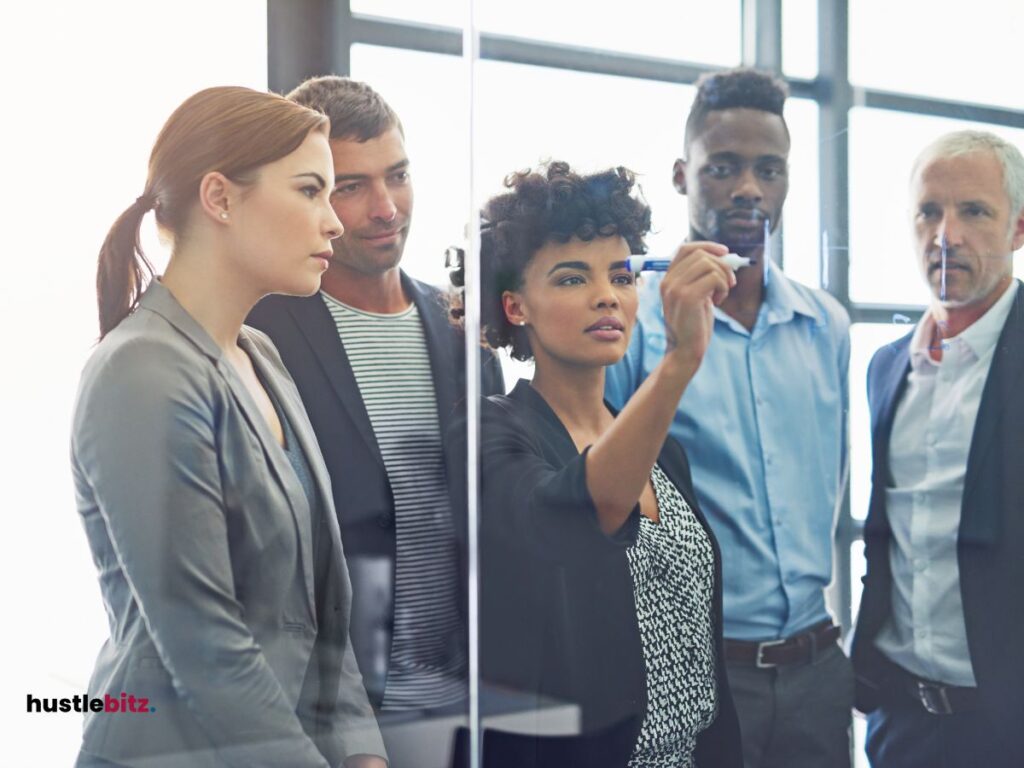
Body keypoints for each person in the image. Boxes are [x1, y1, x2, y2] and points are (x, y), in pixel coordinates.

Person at [72, 86, 385, 768]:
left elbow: (324, 610)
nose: (334, 222)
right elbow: (205, 646)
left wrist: (363, 754)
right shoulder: (142, 371)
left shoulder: (261, 357)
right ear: (220, 198)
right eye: (310, 191)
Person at [456, 161, 742, 767]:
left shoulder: (663, 452)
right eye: (569, 279)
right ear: (515, 307)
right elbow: (582, 514)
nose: (606, 295)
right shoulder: (490, 433)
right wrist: (678, 362)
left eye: (620, 275)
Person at [606, 67, 853, 768]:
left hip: (817, 669)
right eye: (725, 168)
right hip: (694, 670)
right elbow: (604, 496)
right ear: (684, 175)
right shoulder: (631, 322)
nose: (749, 188)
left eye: (769, 170)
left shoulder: (826, 325)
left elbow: (830, 488)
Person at [246, 76, 503, 747]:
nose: (386, 208)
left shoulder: (461, 333)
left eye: (399, 176)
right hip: (328, 713)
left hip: (466, 702)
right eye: (351, 186)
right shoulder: (260, 335)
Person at [850, 130, 1024, 767]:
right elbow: (890, 533)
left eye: (974, 211)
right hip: (903, 722)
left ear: (1018, 229)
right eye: (929, 211)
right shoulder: (887, 367)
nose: (945, 234)